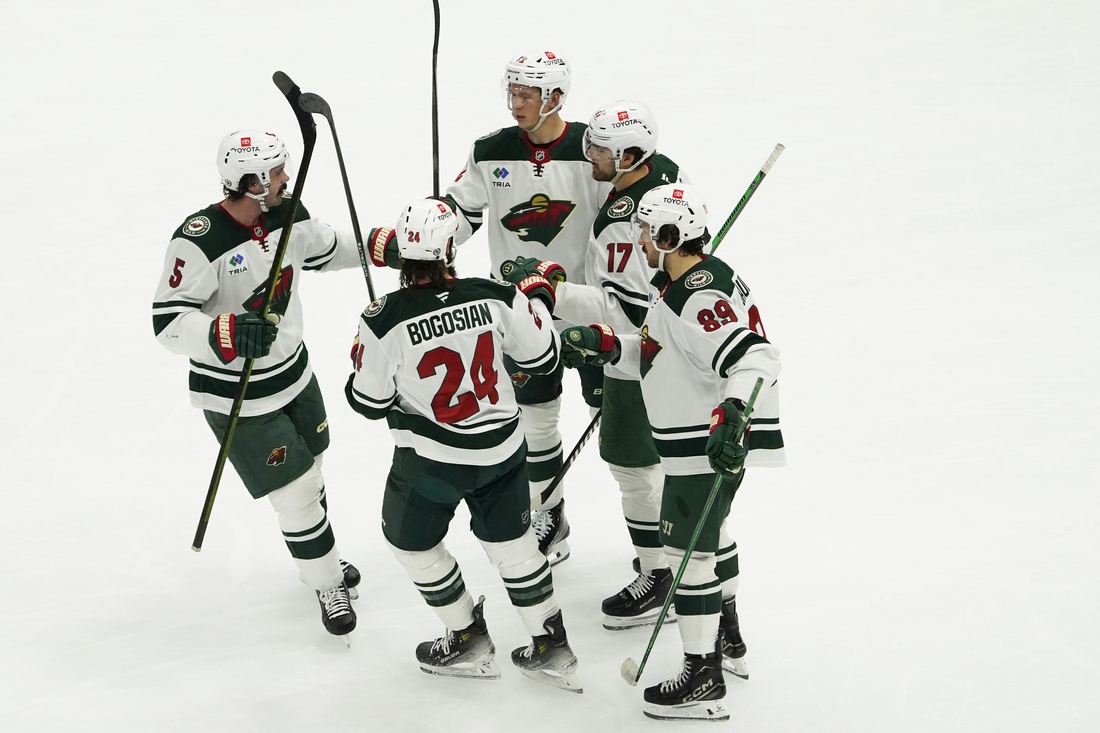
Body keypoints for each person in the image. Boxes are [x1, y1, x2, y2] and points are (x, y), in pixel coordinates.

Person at [365, 50, 611, 566]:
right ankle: (549, 515)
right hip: (519, 315)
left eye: (527, 95)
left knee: (617, 431)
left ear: (556, 97)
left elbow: (635, 199)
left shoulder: (593, 150)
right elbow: (460, 212)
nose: (516, 103)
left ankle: (655, 543)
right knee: (536, 426)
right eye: (512, 92)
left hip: (589, 309)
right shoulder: (490, 150)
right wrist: (425, 240)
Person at [559, 183, 785, 721]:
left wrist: (733, 413)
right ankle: (727, 637)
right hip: (701, 439)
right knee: (713, 537)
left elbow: (758, 358)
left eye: (645, 231)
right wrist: (609, 346)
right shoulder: (686, 283)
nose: (639, 240)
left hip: (703, 445)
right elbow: (665, 351)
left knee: (689, 557)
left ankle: (702, 676)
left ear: (669, 236)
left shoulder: (695, 296)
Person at [345, 199, 582, 692]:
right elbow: (544, 359)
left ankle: (467, 637)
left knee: (411, 543)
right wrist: (538, 298)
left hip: (432, 463)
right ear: (450, 248)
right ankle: (552, 646)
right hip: (503, 453)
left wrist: (361, 367)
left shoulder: (383, 318)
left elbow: (369, 402)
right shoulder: (495, 294)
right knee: (514, 547)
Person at [152, 129, 363, 639]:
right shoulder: (199, 240)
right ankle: (327, 580)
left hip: (294, 373)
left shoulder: (288, 214)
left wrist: (397, 247)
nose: (285, 178)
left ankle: (318, 557)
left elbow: (329, 248)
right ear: (249, 183)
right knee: (296, 493)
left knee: (312, 471)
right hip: (237, 395)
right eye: (275, 172)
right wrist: (224, 330)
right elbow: (167, 322)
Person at [503, 100, 685, 631]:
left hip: (637, 359)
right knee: (654, 465)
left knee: (633, 467)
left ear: (630, 156)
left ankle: (660, 577)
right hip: (672, 349)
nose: (590, 155)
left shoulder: (623, 223)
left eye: (602, 150)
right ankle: (670, 562)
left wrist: (554, 291)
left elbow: (626, 311)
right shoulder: (665, 174)